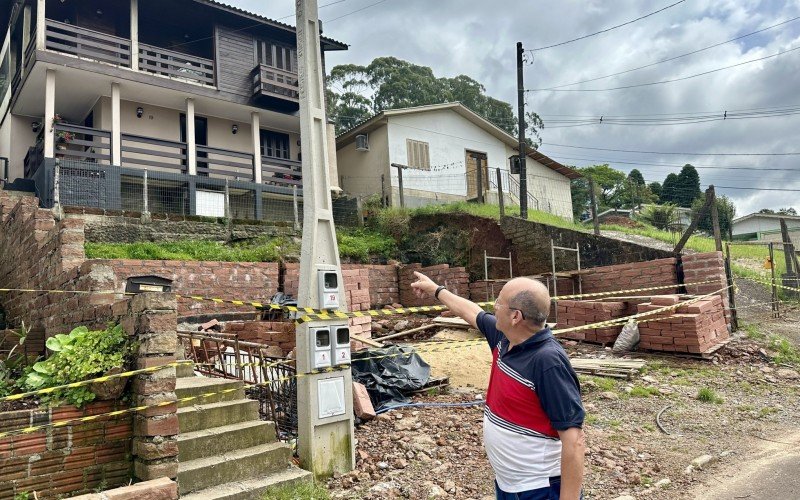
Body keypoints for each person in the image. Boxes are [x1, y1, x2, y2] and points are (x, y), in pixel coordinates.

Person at [411, 271, 585, 500]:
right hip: (509, 485)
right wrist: (435, 289)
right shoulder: (505, 338)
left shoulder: (547, 362)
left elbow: (574, 441)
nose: (494, 306)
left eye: (499, 302)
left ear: (515, 316)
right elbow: (471, 311)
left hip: (539, 489)